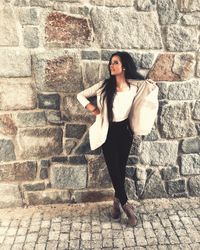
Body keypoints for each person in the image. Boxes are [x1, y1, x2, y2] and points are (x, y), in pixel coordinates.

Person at [77, 51, 158, 226]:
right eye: (110, 63)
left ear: (124, 66)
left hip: (125, 133)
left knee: (120, 170)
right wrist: (94, 110)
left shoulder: (134, 87)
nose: (111, 66)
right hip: (108, 133)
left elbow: (146, 91)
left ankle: (115, 205)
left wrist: (150, 85)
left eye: (115, 63)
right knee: (114, 170)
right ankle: (126, 205)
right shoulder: (104, 85)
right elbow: (80, 95)